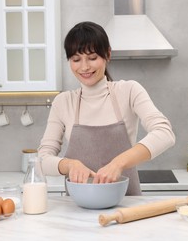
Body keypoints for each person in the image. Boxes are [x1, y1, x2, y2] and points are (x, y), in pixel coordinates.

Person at [38, 21, 175, 195]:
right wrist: (69, 165)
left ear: (107, 55)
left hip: (126, 207)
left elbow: (165, 133)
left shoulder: (129, 91)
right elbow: (42, 159)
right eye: (76, 59)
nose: (85, 67)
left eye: (93, 57)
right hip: (76, 210)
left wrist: (118, 163)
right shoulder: (63, 102)